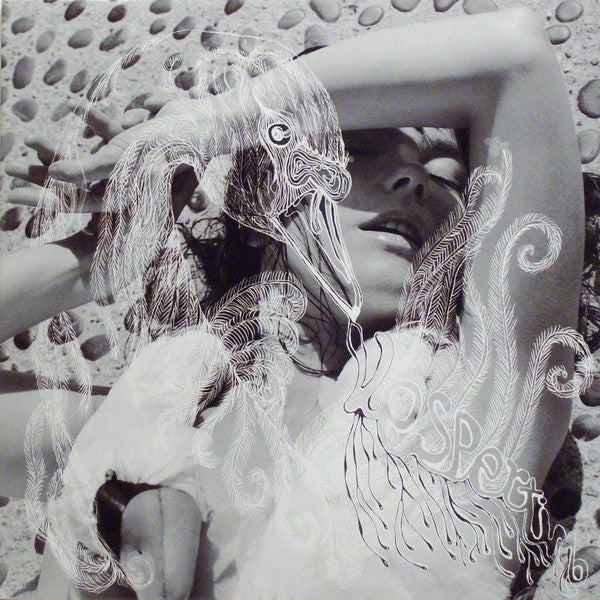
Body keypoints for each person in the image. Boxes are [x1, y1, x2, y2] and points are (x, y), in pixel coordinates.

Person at [0, 7, 590, 599]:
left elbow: (516, 63)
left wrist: (207, 125)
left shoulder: (482, 404)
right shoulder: (160, 410)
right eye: (357, 148)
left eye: (447, 177)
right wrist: (94, 261)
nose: (414, 180)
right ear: (264, 206)